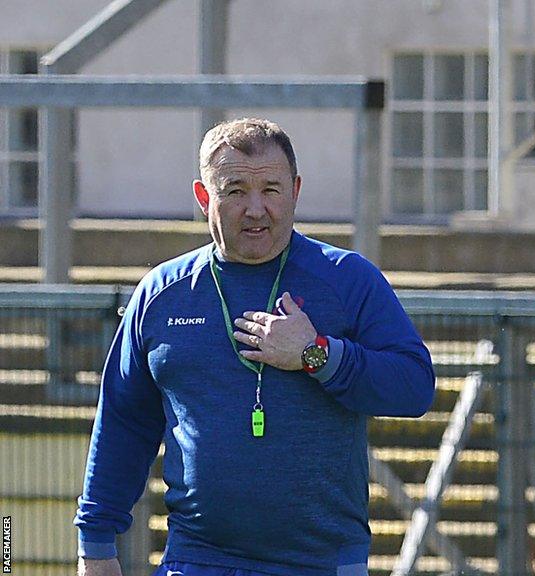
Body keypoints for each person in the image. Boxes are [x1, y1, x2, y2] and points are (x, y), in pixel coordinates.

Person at [75, 118, 435, 576]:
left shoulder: (348, 278)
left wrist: (316, 355)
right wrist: (96, 544)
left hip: (320, 563)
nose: (255, 209)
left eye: (271, 189)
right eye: (235, 190)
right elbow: (124, 422)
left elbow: (415, 387)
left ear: (295, 191)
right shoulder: (162, 293)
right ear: (204, 199)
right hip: (196, 560)